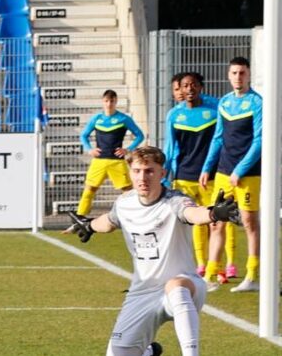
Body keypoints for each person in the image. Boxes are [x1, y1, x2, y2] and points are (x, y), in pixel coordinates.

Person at [67, 147, 240, 356]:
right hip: (142, 292)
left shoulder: (174, 201)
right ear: (130, 172)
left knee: (175, 286)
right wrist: (89, 225)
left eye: (149, 171)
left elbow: (192, 213)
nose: (143, 177)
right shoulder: (124, 203)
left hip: (186, 286)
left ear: (162, 173)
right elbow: (110, 221)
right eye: (137, 171)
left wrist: (213, 213)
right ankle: (147, 352)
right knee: (119, 352)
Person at [199, 56, 262, 292]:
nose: (238, 77)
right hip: (224, 171)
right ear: (229, 75)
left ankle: (252, 276)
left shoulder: (257, 103)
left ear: (248, 75)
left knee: (248, 222)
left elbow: (259, 141)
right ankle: (210, 276)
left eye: (242, 73)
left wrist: (240, 170)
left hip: (249, 173)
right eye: (234, 73)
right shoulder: (224, 103)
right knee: (216, 222)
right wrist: (207, 167)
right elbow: (217, 138)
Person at [163, 73, 222, 278]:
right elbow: (170, 148)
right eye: (185, 86)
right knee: (197, 222)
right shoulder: (174, 115)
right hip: (184, 176)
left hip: (212, 176)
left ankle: (220, 266)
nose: (189, 89)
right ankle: (201, 265)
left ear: (201, 87)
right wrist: (165, 175)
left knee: (217, 222)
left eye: (194, 85)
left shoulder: (216, 109)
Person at [68, 90, 144, 223]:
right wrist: (89, 149)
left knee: (127, 190)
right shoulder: (97, 119)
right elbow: (83, 135)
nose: (109, 104)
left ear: (116, 102)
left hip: (117, 162)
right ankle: (80, 216)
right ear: (103, 102)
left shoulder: (123, 118)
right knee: (90, 187)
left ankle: (136, 215)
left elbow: (140, 135)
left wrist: (128, 149)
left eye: (112, 101)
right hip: (99, 161)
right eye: (106, 101)